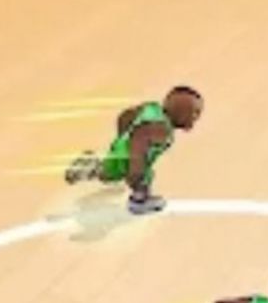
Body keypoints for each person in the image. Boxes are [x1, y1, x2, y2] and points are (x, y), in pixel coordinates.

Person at [65, 86, 203, 215]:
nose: (196, 117)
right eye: (195, 112)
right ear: (181, 112)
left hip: (124, 149)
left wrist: (123, 138)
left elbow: (125, 116)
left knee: (112, 172)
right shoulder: (161, 129)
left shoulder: (152, 108)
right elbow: (138, 150)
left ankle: (89, 165)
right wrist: (136, 175)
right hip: (130, 157)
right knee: (119, 175)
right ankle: (138, 201)